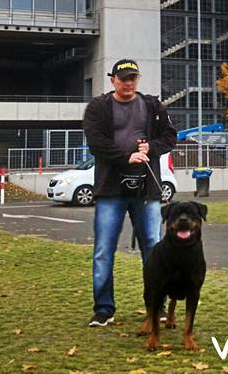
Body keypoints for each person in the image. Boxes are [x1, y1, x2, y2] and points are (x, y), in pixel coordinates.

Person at [83, 58, 177, 327]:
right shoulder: (98, 107)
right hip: (109, 189)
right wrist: (127, 156)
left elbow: (170, 136)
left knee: (153, 248)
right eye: (123, 78)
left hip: (146, 191)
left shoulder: (152, 106)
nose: (128, 83)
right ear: (112, 80)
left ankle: (157, 307)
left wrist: (151, 148)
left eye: (133, 78)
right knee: (103, 250)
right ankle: (103, 309)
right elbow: (96, 143)